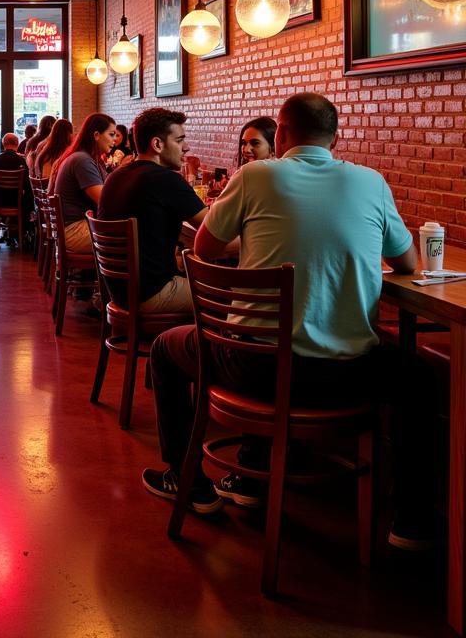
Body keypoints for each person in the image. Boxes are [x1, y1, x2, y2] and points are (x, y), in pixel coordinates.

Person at [141, 94, 427, 534]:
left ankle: (191, 480)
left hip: (255, 371)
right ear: (336, 136)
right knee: (418, 377)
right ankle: (411, 520)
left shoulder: (255, 176)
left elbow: (204, 249)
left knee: (166, 348)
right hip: (348, 378)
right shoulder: (372, 182)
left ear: (283, 132)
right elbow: (408, 265)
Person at [97, 107, 206, 313]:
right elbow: (213, 229)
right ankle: (192, 345)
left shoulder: (116, 176)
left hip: (120, 292)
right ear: (157, 144)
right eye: (179, 140)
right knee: (229, 294)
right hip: (152, 293)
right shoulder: (166, 179)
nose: (186, 147)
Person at [49, 113, 116, 253]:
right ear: (96, 135)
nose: (115, 140)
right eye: (111, 134)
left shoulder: (91, 159)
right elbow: (105, 201)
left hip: (79, 225)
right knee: (136, 238)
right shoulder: (82, 160)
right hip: (74, 230)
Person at [0, 132, 33, 240]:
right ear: (17, 143)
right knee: (28, 199)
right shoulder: (21, 161)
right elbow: (27, 186)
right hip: (17, 203)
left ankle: (8, 230)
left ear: (3, 144)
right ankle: (21, 234)